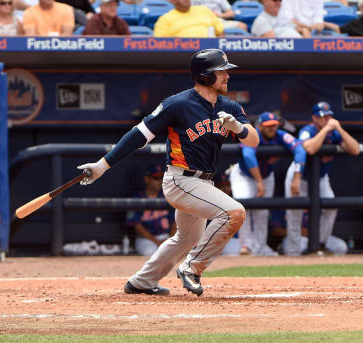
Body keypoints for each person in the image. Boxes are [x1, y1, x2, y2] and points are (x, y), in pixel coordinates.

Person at [77, 48, 259, 296]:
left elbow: (254, 141)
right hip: (180, 180)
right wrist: (101, 166)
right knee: (234, 212)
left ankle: (141, 281)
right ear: (205, 76)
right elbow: (138, 136)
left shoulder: (230, 107)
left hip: (205, 184)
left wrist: (238, 128)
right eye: (221, 72)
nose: (227, 76)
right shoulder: (177, 104)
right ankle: (192, 268)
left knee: (186, 239)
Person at [284, 102, 359, 256]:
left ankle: (321, 244)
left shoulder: (335, 133)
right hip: (300, 176)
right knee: (294, 214)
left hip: (320, 178)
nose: (327, 119)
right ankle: (293, 253)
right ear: (314, 118)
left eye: (329, 116)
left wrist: (339, 129)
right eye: (323, 116)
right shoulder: (307, 130)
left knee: (331, 206)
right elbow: (309, 148)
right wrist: (326, 129)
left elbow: (355, 149)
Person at [230, 112, 306, 256]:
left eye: (274, 126)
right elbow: (248, 155)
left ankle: (259, 247)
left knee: (263, 212)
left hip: (266, 176)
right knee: (242, 209)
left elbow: (300, 150)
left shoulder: (281, 135)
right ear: (260, 126)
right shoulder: (252, 134)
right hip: (244, 176)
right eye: (268, 126)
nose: (272, 129)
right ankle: (246, 245)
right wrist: (259, 182)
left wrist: (297, 177)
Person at [126, 165, 176, 256]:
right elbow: (137, 226)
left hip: (166, 236)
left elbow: (174, 222)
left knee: (174, 253)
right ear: (147, 179)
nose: (160, 181)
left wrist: (170, 239)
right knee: (149, 252)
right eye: (156, 178)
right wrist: (156, 241)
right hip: (146, 239)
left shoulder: (167, 197)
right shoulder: (137, 199)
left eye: (162, 178)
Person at [153, 0, 225, 37]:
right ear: (172, 0)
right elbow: (159, 44)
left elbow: (220, 32)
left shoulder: (204, 10)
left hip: (209, 55)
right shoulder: (164, 19)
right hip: (179, 57)